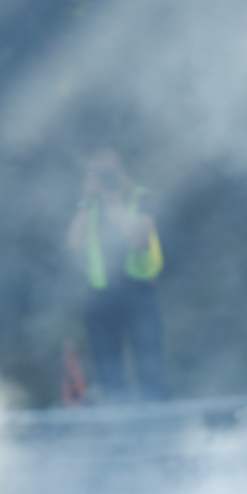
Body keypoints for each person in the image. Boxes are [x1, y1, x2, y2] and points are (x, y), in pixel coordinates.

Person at [66, 149, 167, 401]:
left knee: (149, 365)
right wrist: (86, 199)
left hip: (139, 291)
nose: (106, 179)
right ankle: (117, 419)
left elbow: (138, 240)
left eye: (109, 172)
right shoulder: (91, 205)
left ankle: (158, 418)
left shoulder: (141, 197)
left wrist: (115, 205)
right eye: (99, 174)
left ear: (122, 171)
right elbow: (74, 243)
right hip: (101, 297)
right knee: (107, 368)